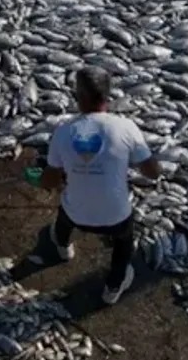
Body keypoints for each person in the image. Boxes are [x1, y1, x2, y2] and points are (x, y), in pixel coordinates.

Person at [29, 65, 162, 305]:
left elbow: (50, 180)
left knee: (64, 215)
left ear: (80, 97)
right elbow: (153, 173)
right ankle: (113, 287)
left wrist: (38, 177)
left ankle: (62, 246)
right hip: (116, 218)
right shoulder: (126, 127)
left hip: (76, 214)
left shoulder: (63, 131)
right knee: (124, 243)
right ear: (107, 96)